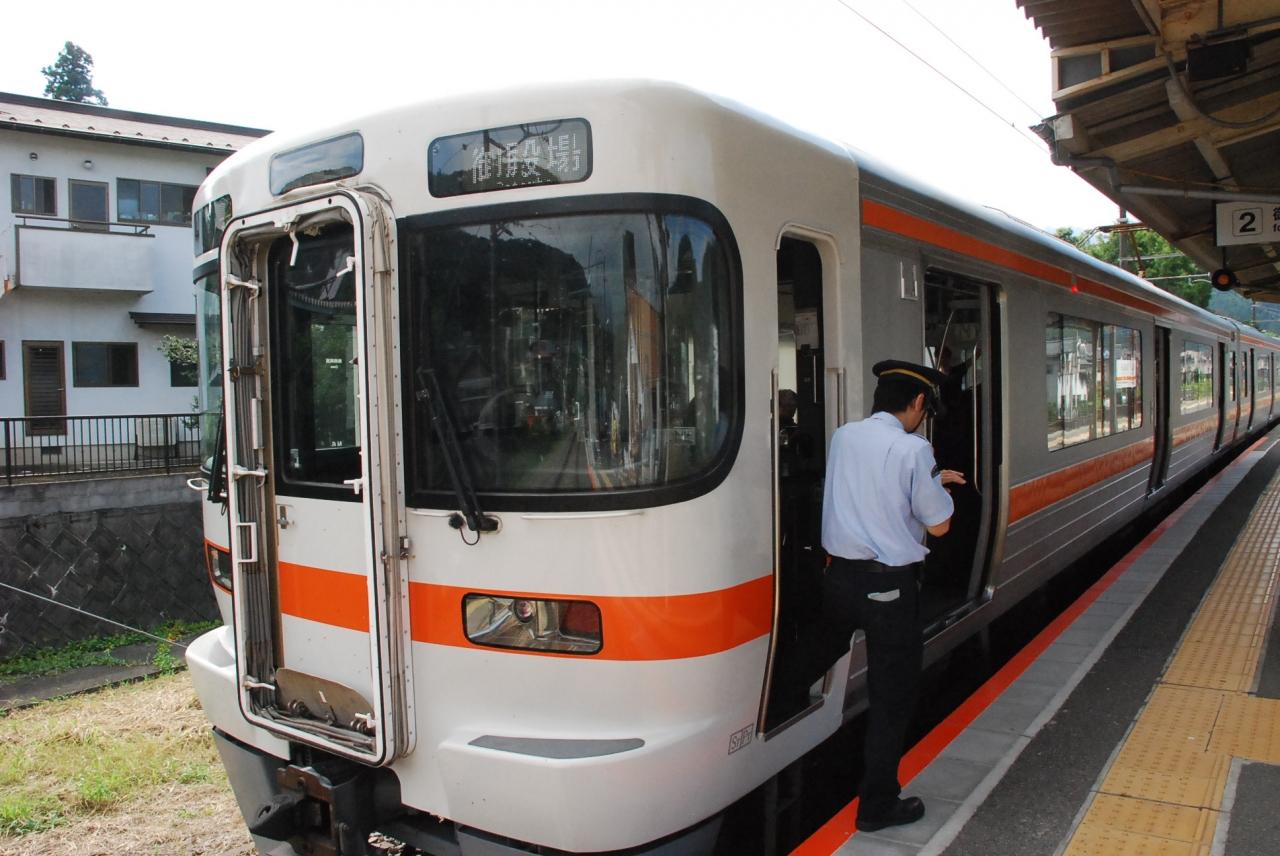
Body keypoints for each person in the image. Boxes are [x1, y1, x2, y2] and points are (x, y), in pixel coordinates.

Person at [820, 359, 965, 832]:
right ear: (919, 402)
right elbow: (939, 526)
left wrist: (929, 481)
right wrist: (937, 487)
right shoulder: (914, 449)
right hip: (888, 589)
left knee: (817, 653)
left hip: (839, 580)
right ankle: (877, 805)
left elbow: (870, 487)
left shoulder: (845, 436)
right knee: (891, 699)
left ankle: (778, 711)